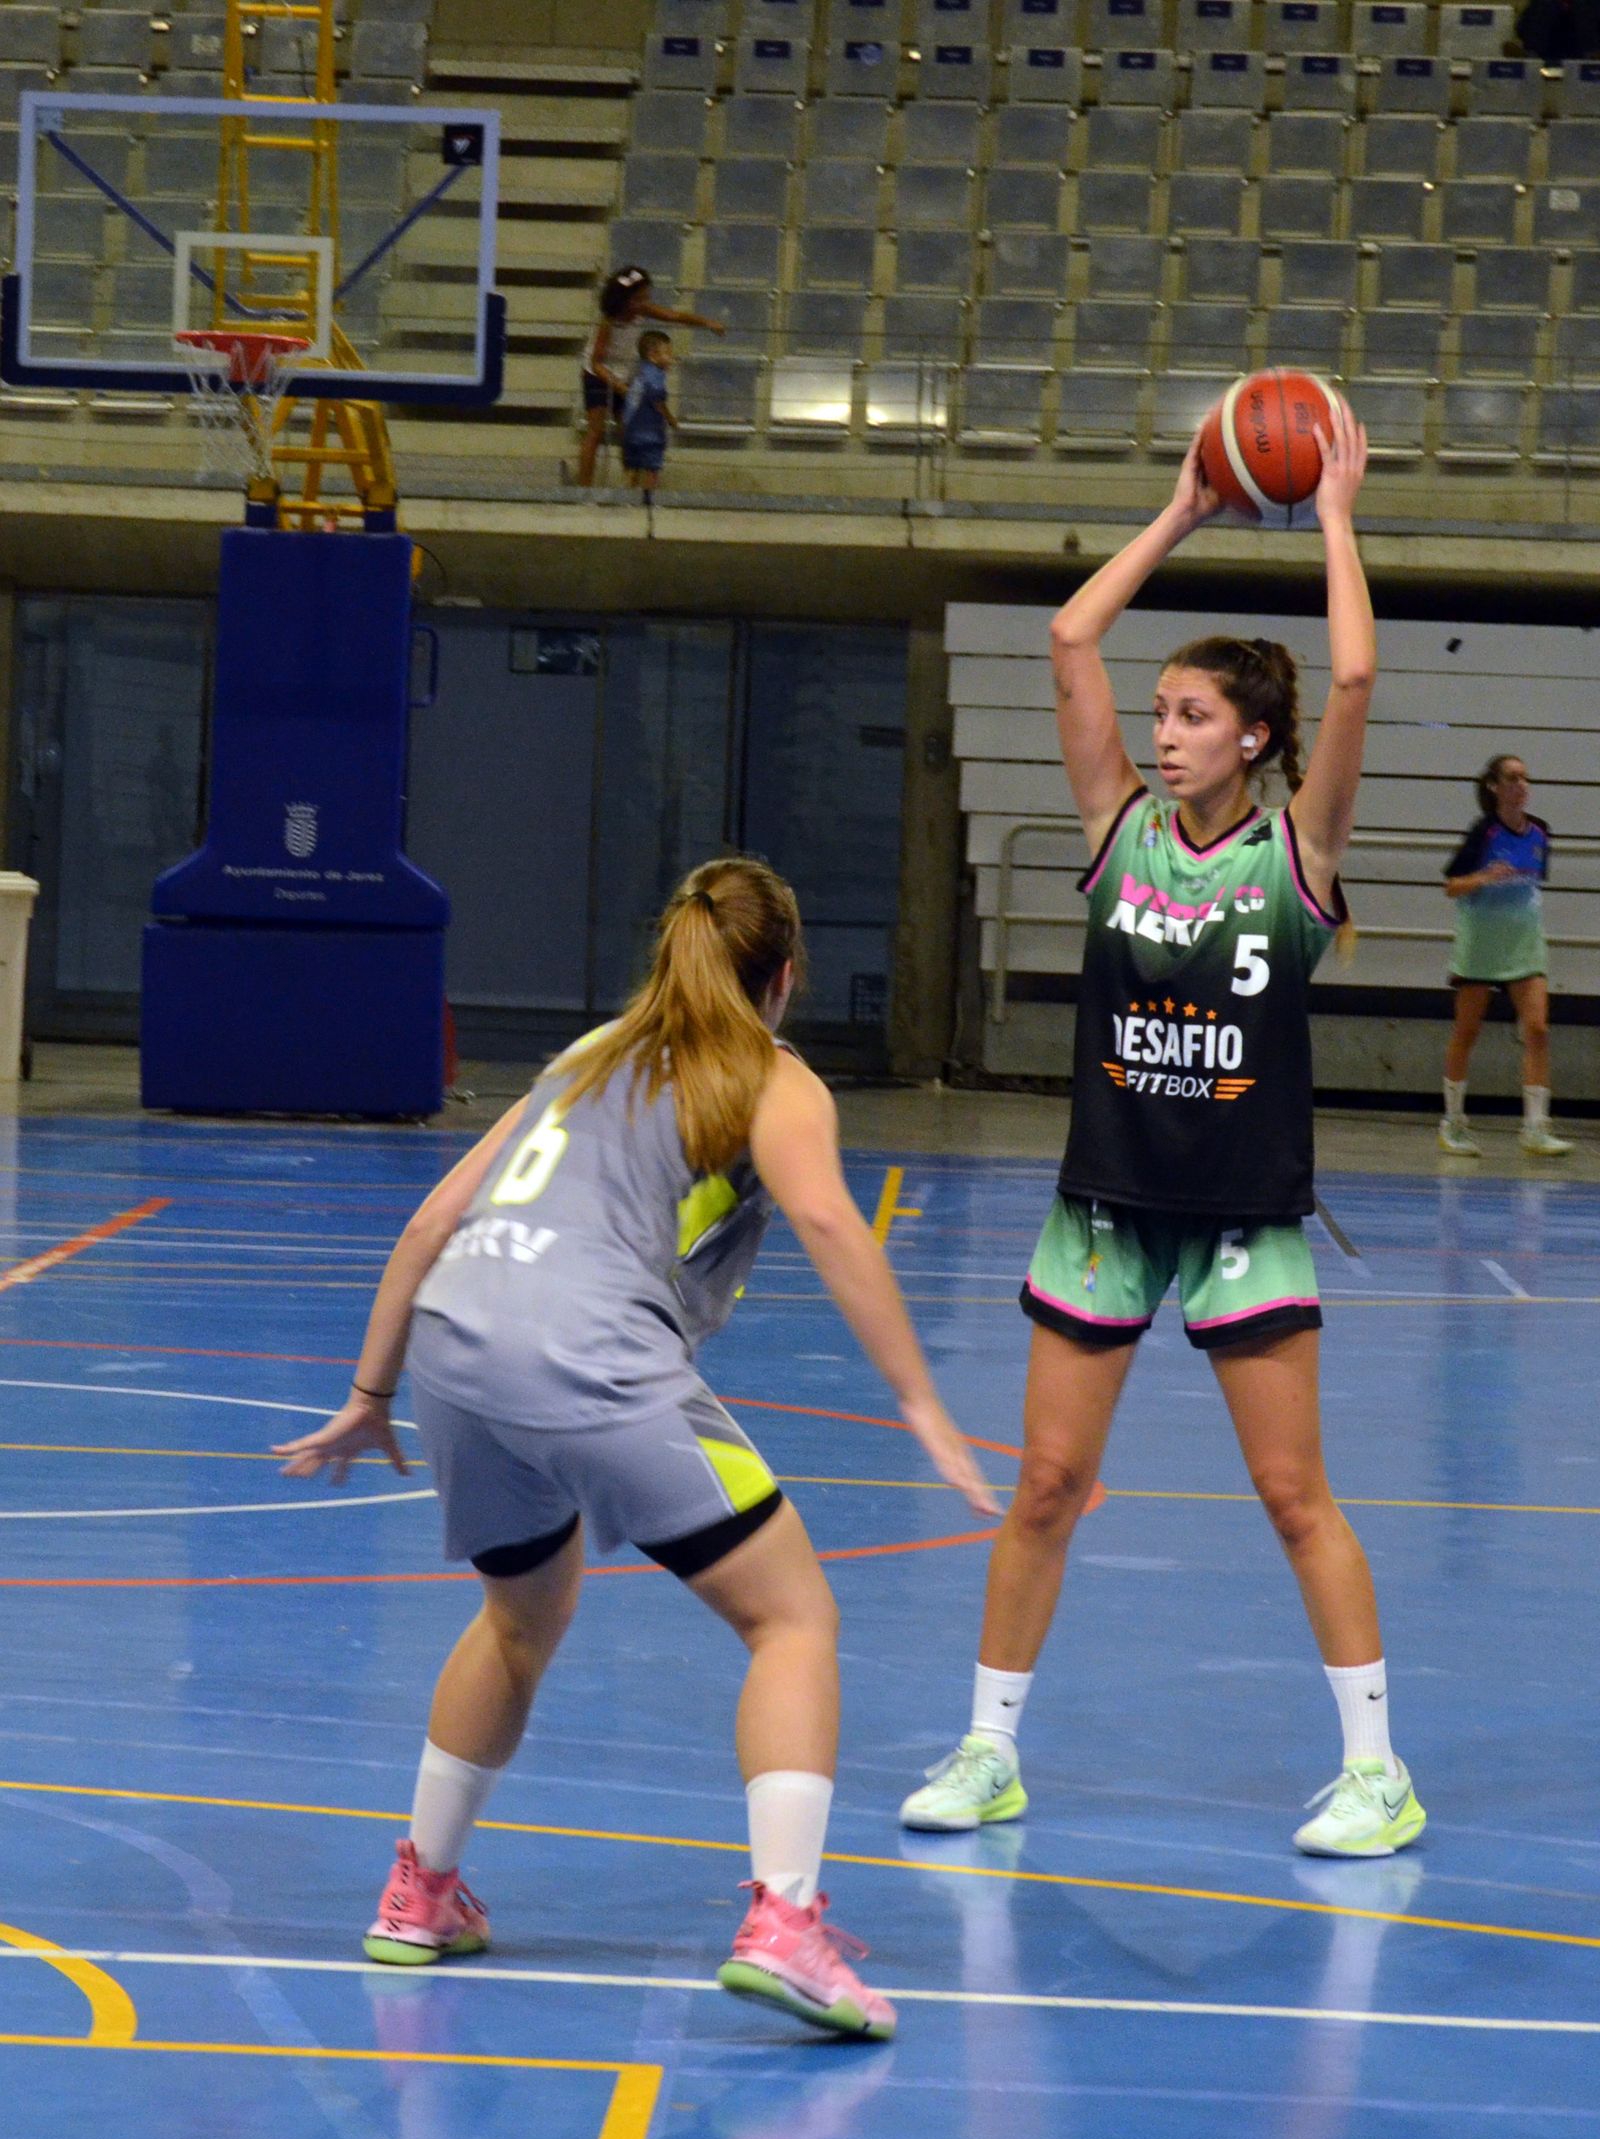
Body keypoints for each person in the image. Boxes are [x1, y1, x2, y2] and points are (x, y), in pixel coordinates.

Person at [273, 858, 996, 2042]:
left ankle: (421, 1892)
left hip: (456, 1344)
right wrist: (919, 1401)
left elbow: (428, 1219)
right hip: (586, 1352)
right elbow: (825, 1220)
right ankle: (785, 1925)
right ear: (787, 977)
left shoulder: (586, 1056)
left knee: (520, 1614)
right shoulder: (771, 1075)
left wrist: (370, 1392)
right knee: (791, 1618)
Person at [899, 402, 1428, 1861]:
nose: (1165, 731)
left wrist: (1327, 508)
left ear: (1255, 738)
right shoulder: (1115, 826)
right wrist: (1186, 509)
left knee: (1288, 1489)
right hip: (1109, 1205)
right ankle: (989, 1746)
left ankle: (1378, 1769)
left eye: (1193, 715)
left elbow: (1362, 669)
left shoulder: (1295, 855)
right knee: (1049, 1483)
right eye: (1165, 715)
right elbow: (1072, 638)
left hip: (1246, 1208)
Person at [1439, 755, 1572, 1159]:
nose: (1521, 784)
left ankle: (1535, 1127)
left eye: (1524, 778)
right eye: (1512, 778)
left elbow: (1531, 884)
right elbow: (1452, 886)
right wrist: (1483, 877)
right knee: (1467, 1032)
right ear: (1495, 787)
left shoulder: (1541, 833)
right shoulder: (1484, 833)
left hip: (1525, 943)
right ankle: (1454, 1124)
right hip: (1481, 944)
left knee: (1537, 1030)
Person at [575, 267, 722, 489]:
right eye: (638, 299)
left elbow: (674, 316)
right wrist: (617, 385)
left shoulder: (641, 310)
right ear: (624, 299)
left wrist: (706, 323)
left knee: (630, 431)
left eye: (645, 297)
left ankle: (630, 485)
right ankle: (582, 490)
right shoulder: (609, 322)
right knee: (595, 431)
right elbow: (596, 362)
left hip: (625, 374)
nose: (643, 303)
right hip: (599, 374)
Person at [622, 328, 675, 498]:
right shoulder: (656, 376)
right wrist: (671, 419)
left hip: (631, 429)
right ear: (653, 355)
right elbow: (657, 400)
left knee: (633, 466)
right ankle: (648, 499)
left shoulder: (640, 373)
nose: (671, 358)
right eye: (668, 353)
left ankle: (628, 498)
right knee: (652, 467)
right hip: (649, 430)